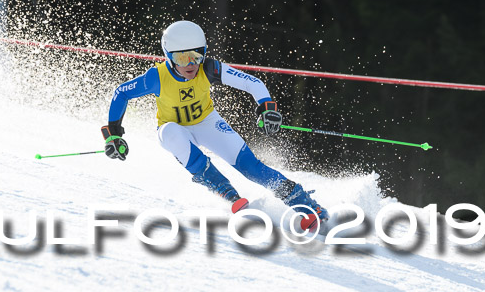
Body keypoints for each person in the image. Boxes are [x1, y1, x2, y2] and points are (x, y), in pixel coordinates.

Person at [101, 20, 328, 231]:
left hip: (208, 123)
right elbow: (121, 93)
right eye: (182, 59)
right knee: (171, 134)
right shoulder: (156, 77)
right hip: (173, 127)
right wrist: (114, 134)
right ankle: (224, 189)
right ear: (169, 57)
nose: (191, 64)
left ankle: (306, 205)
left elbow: (254, 83)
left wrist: (266, 107)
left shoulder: (210, 68)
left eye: (197, 56)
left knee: (251, 167)